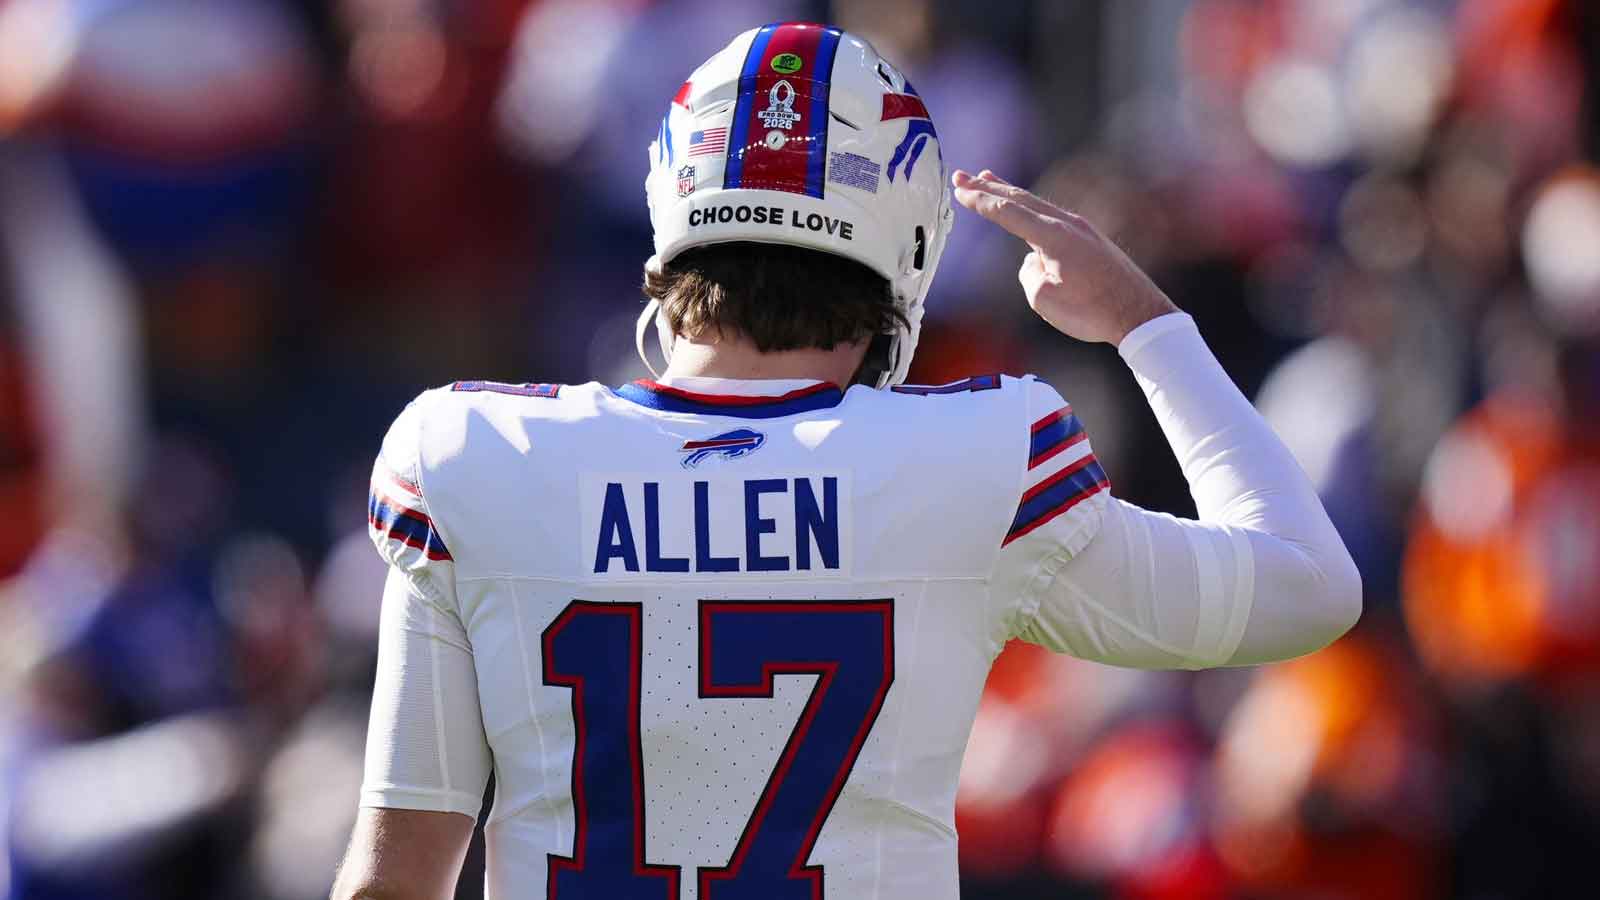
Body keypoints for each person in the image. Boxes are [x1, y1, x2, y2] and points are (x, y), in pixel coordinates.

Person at [331, 22, 1361, 900]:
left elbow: (397, 878)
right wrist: (1148, 321)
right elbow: (1307, 587)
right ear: (909, 245)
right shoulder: (975, 458)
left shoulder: (471, 454)